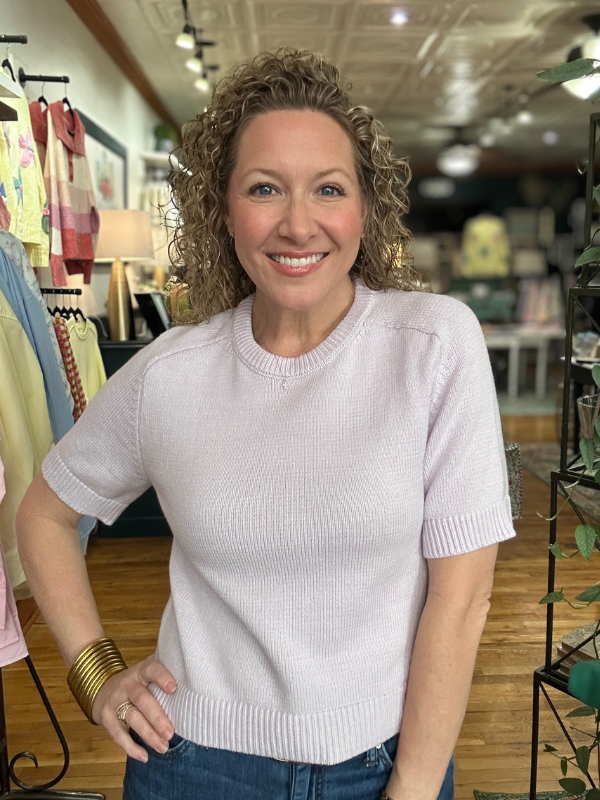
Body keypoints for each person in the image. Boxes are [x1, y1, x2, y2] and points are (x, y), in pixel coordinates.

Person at [16, 49, 516, 800]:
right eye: (263, 188)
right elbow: (44, 514)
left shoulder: (434, 345)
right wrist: (98, 675)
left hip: (386, 764)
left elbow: (464, 596)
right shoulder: (169, 374)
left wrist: (411, 789)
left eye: (328, 188)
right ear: (224, 208)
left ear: (365, 209)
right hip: (191, 764)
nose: (297, 222)